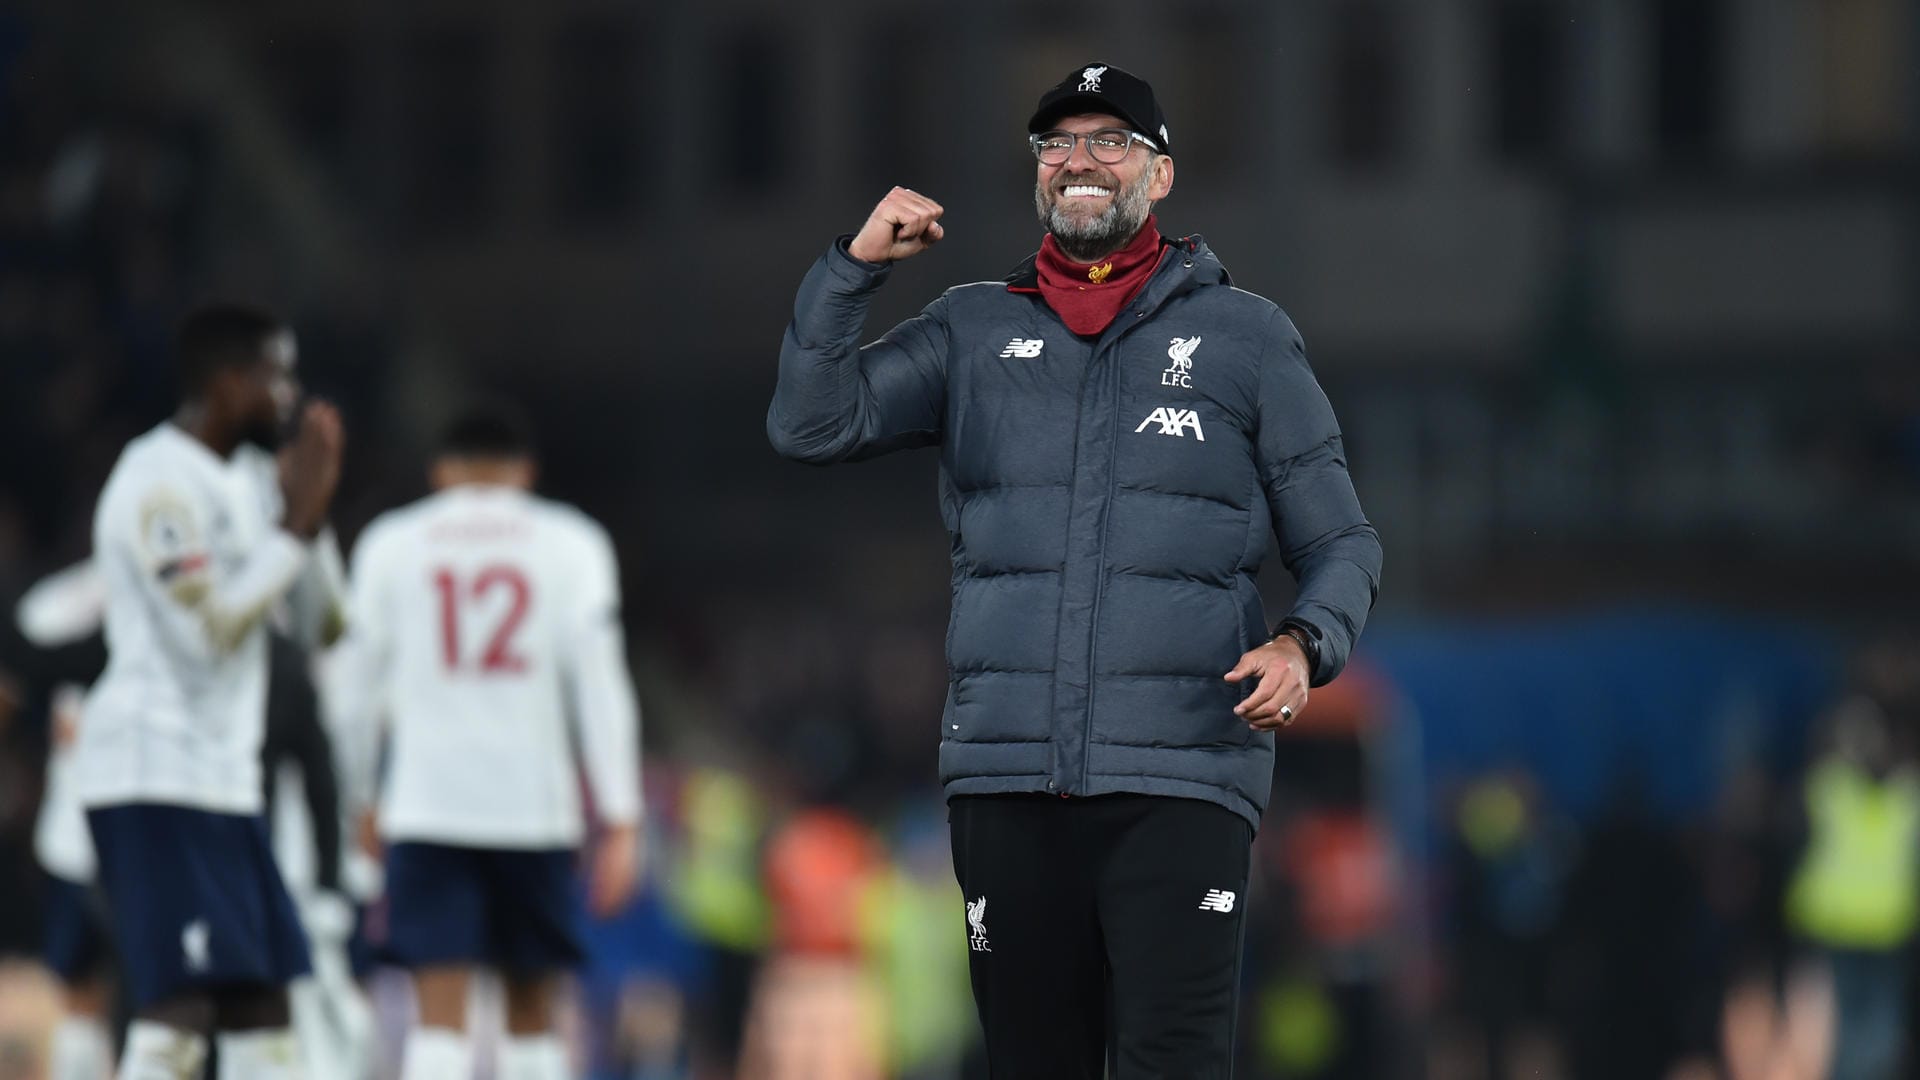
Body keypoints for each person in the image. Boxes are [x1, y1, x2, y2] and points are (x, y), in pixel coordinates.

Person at [767, 61, 1382, 1075]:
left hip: (1184, 773)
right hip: (1006, 777)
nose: (1079, 162)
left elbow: (1341, 542)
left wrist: (1303, 646)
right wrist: (853, 268)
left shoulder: (1247, 338)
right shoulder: (969, 328)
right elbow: (809, 422)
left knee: (1171, 1062)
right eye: (1057, 143)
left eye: (1110, 141)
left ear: (1162, 175)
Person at [327, 404, 645, 1080]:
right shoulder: (571, 543)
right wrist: (620, 813)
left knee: (436, 1014)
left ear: (442, 471)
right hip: (533, 811)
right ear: (524, 472)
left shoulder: (392, 543)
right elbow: (600, 684)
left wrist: (358, 796)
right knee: (533, 1013)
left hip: (427, 805)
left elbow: (355, 690)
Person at [71, 303, 345, 1079]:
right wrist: (291, 531)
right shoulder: (154, 483)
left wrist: (313, 524)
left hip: (227, 784)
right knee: (180, 1015)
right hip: (153, 773)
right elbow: (207, 634)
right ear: (227, 383)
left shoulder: (261, 481)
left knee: (266, 1015)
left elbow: (326, 626)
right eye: (275, 375)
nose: (290, 395)